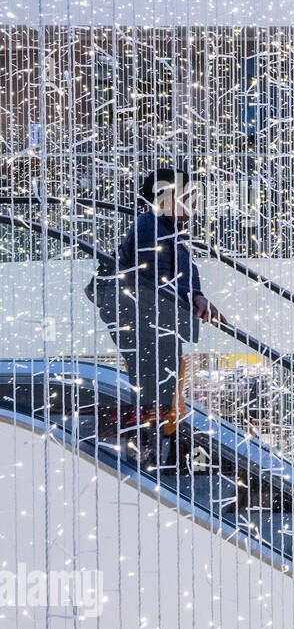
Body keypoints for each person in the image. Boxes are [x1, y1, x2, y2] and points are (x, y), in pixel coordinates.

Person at [87, 167, 221, 460]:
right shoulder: (150, 227)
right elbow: (156, 282)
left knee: (159, 388)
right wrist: (189, 300)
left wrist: (197, 296)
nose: (195, 201)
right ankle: (147, 450)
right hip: (146, 323)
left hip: (155, 323)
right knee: (154, 389)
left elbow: (185, 273)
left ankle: (152, 446)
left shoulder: (167, 229)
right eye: (189, 195)